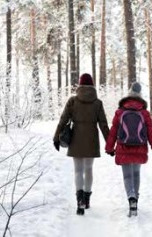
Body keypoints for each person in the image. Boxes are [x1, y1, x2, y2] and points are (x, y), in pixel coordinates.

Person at [53, 73, 109, 215]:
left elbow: (63, 119)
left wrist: (56, 137)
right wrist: (110, 143)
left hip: (76, 139)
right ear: (92, 85)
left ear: (79, 84)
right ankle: (87, 198)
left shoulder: (73, 101)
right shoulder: (97, 103)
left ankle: (80, 201)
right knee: (88, 169)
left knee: (78, 170)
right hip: (91, 139)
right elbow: (103, 124)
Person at [105, 82, 152, 217]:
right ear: (140, 96)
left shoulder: (120, 112)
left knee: (127, 176)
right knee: (136, 174)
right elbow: (151, 133)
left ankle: (131, 198)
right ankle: (135, 199)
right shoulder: (144, 112)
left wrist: (109, 148)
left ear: (128, 94)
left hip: (123, 147)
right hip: (140, 147)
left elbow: (113, 132)